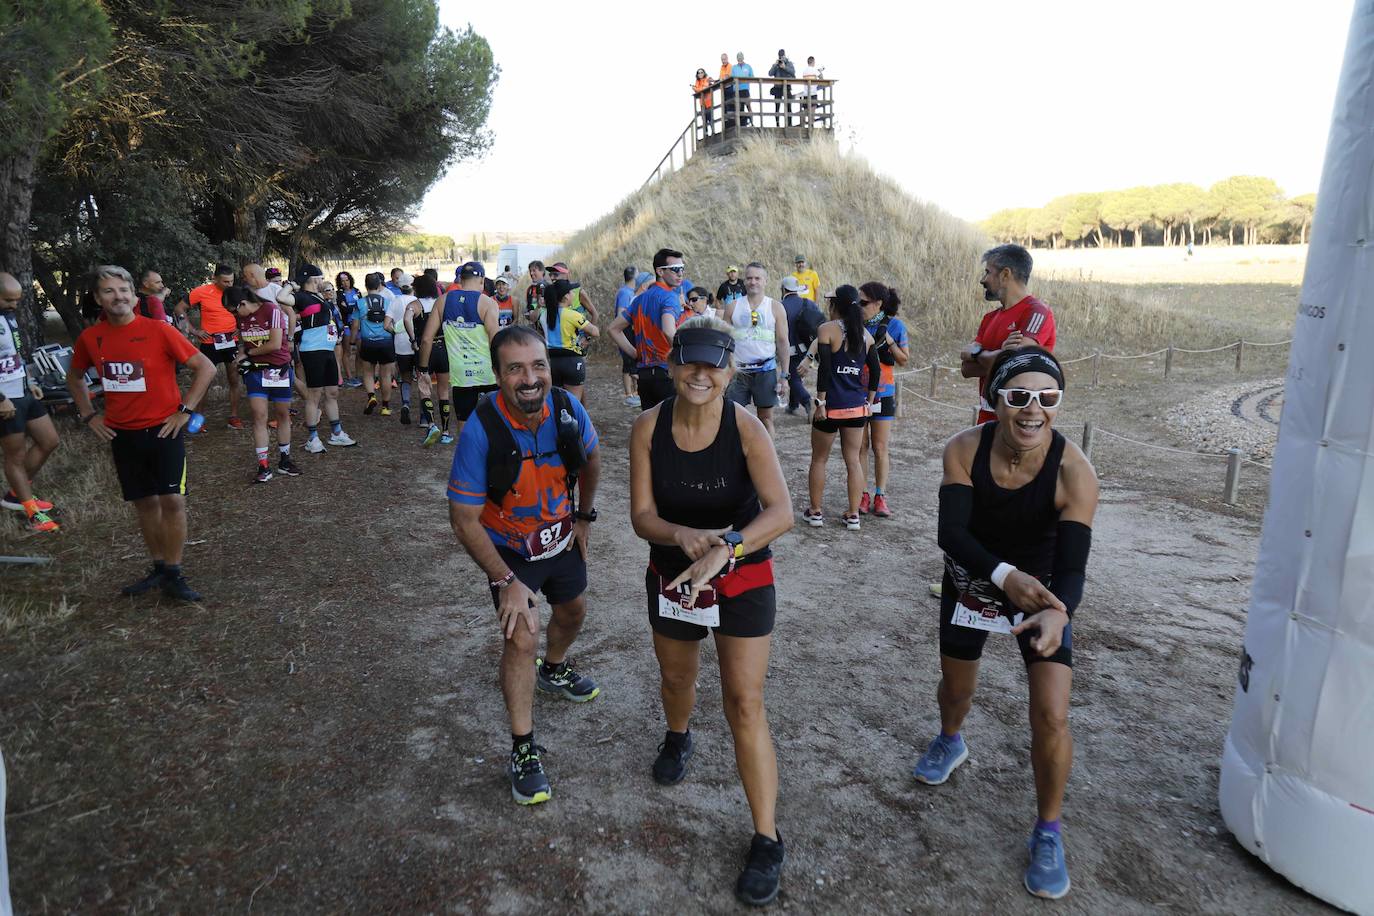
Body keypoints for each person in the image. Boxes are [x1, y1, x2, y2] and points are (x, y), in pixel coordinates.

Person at [914, 346, 1096, 901]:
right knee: (958, 688)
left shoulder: (1075, 472)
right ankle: (951, 739)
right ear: (995, 401)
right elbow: (953, 535)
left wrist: (1058, 612)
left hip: (1040, 594)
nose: (1032, 409)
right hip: (974, 579)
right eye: (1018, 396)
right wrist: (1002, 575)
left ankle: (1048, 830)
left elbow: (1071, 567)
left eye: (1047, 397)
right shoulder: (964, 450)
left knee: (1051, 713)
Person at [628, 317, 794, 906]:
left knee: (745, 702)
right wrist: (683, 533)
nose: (701, 375)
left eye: (714, 365)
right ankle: (678, 737)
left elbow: (781, 512)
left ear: (730, 371)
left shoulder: (747, 429)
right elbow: (642, 517)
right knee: (676, 676)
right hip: (673, 571)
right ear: (673, 365)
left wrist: (729, 544)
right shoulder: (648, 427)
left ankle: (766, 836)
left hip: (742, 574)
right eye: (690, 362)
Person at [447, 324, 602, 805]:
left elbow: (593, 461)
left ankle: (553, 669)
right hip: (510, 550)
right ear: (497, 376)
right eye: (515, 369)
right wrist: (506, 580)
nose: (530, 378)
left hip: (558, 535)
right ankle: (523, 747)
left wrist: (583, 517)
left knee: (573, 610)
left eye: (538, 366)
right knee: (521, 634)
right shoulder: (482, 429)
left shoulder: (568, 409)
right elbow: (463, 519)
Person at [67, 266, 216, 601]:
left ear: (134, 294)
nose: (117, 296)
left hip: (164, 429)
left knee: (173, 501)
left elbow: (204, 368)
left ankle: (175, 574)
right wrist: (89, 415)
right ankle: (159, 568)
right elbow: (75, 378)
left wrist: (185, 411)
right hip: (122, 434)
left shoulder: (158, 330)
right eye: (108, 291)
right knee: (145, 503)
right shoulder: (91, 338)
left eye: (123, 289)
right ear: (97, 298)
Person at [804, 285, 880, 531]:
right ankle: (853, 514)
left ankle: (815, 512)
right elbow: (875, 372)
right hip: (856, 409)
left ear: (836, 305)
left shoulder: (827, 330)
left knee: (819, 459)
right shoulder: (866, 336)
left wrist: (821, 403)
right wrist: (869, 402)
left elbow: (825, 370)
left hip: (830, 408)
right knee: (854, 461)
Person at [962, 243, 1056, 424]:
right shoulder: (989, 318)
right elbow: (966, 369)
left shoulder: (1037, 311)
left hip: (1021, 422)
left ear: (1005, 274)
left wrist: (978, 354)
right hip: (987, 417)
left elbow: (1015, 362)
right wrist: (1000, 355)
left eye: (988, 272)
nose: (983, 280)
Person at [0, 273, 60, 532]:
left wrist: (30, 380)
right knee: (15, 455)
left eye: (17, 300)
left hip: (23, 389)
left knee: (49, 441)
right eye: (8, 300)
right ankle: (33, 515)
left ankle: (15, 494)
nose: (14, 304)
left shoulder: (9, 317)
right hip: (5, 398)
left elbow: (14, 354)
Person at [419, 261, 501, 443]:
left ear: (461, 279)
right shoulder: (488, 303)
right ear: (481, 280)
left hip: (462, 377)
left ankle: (470, 465)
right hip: (489, 374)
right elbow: (496, 341)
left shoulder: (443, 300)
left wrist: (423, 369)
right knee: (495, 425)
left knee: (465, 429)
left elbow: (426, 339)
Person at [231, 286, 301, 482]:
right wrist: (242, 353)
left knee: (282, 415)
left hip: (279, 369)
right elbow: (245, 342)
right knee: (259, 415)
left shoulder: (272, 310)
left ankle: (285, 460)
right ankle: (263, 466)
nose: (236, 316)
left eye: (235, 310)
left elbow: (274, 343)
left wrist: (249, 354)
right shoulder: (242, 317)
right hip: (255, 372)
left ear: (242, 303)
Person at [291, 265, 357, 454]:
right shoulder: (301, 296)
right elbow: (281, 298)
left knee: (332, 391)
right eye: (320, 277)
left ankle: (336, 433)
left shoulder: (320, 297)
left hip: (327, 349)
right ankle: (312, 438)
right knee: (314, 394)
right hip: (312, 350)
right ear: (313, 279)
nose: (323, 281)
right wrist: (292, 286)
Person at [609, 248, 685, 412]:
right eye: (675, 269)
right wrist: (684, 357)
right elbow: (668, 330)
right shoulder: (670, 297)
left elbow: (613, 329)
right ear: (660, 271)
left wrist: (636, 353)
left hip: (644, 376)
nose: (680, 274)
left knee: (651, 428)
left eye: (682, 269)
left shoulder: (641, 299)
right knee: (671, 428)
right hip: (666, 373)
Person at [857, 282, 909, 517]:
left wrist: (887, 339)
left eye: (864, 302)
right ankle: (862, 494)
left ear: (878, 304)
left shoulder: (895, 326)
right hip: (856, 393)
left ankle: (880, 496)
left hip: (883, 393)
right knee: (860, 446)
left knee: (879, 446)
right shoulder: (854, 324)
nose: (860, 306)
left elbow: (903, 359)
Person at [721, 263, 790, 437]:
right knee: (730, 416)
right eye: (749, 278)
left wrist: (784, 377)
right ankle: (734, 457)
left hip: (765, 371)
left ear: (765, 281)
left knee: (765, 419)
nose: (753, 282)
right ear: (744, 281)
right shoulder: (732, 307)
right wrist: (724, 373)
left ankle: (767, 460)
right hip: (738, 372)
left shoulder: (775, 307)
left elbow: (783, 342)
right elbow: (724, 343)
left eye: (757, 278)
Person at [174, 264, 243, 428]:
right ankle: (198, 418)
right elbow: (179, 309)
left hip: (230, 342)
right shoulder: (202, 291)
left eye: (231, 281)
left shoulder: (236, 292)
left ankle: (234, 416)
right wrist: (193, 330)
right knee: (204, 381)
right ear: (215, 278)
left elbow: (247, 311)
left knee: (234, 379)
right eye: (225, 281)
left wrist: (240, 328)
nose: (229, 285)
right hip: (209, 343)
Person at [538, 278, 598, 403]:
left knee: (555, 402)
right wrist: (586, 338)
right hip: (572, 361)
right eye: (571, 292)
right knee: (573, 404)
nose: (573, 294)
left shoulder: (544, 315)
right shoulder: (572, 314)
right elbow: (595, 332)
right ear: (565, 297)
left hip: (551, 362)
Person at [353, 276, 397, 418]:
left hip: (368, 342)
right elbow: (393, 323)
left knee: (368, 373)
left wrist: (353, 341)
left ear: (366, 287)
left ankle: (371, 396)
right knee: (386, 375)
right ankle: (385, 407)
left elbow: (355, 325)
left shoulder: (359, 303)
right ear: (379, 286)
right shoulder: (389, 302)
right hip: (386, 341)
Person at [407, 274, 443, 445]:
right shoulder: (441, 303)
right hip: (443, 348)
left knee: (424, 388)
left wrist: (413, 338)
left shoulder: (415, 305)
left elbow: (407, 319)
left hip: (424, 349)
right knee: (443, 390)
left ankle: (431, 424)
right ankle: (447, 430)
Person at [778, 275, 818, 417]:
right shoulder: (809, 303)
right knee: (796, 376)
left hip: (790, 349)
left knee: (792, 378)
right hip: (808, 348)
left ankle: (808, 402)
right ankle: (793, 405)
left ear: (783, 289)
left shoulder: (780, 306)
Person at [388, 275, 418, 425]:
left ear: (400, 287)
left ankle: (405, 403)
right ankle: (425, 415)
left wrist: (396, 332)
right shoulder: (417, 302)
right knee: (421, 377)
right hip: (417, 343)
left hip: (400, 343)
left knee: (405, 376)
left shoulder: (395, 301)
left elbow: (386, 325)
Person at [615, 266, 640, 407]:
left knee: (634, 361)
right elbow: (621, 314)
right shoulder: (625, 293)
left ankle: (636, 393)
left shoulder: (631, 292)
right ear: (634, 277)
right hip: (626, 331)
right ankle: (628, 394)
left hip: (631, 331)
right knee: (628, 362)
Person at [334, 272, 363, 387]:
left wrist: (350, 307)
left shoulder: (357, 291)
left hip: (359, 325)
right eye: (342, 281)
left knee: (360, 351)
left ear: (350, 280)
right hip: (346, 325)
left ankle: (358, 375)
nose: (345, 283)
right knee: (348, 351)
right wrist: (353, 308)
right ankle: (349, 377)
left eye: (347, 280)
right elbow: (343, 309)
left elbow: (360, 306)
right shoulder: (339, 294)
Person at [767, 49, 795, 127]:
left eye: (782, 55)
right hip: (778, 88)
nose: (781, 57)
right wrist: (776, 65)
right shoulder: (776, 64)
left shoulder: (789, 63)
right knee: (777, 107)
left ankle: (789, 124)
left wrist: (785, 67)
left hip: (787, 87)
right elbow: (770, 73)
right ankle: (777, 124)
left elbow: (793, 72)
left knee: (788, 106)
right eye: (780, 56)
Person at [732, 52, 754, 126]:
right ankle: (740, 124)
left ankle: (752, 123)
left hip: (745, 89)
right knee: (739, 108)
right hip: (737, 90)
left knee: (748, 106)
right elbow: (732, 78)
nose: (740, 59)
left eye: (741, 57)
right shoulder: (734, 67)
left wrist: (745, 79)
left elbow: (752, 77)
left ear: (743, 58)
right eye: (738, 57)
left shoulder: (748, 66)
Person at [693, 68, 715, 136]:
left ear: (704, 73)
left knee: (710, 117)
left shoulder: (707, 79)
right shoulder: (697, 81)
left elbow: (703, 88)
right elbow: (696, 89)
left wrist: (697, 89)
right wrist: (697, 89)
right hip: (702, 103)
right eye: (699, 73)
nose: (700, 74)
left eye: (701, 72)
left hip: (708, 102)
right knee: (704, 118)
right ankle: (706, 133)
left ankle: (713, 131)